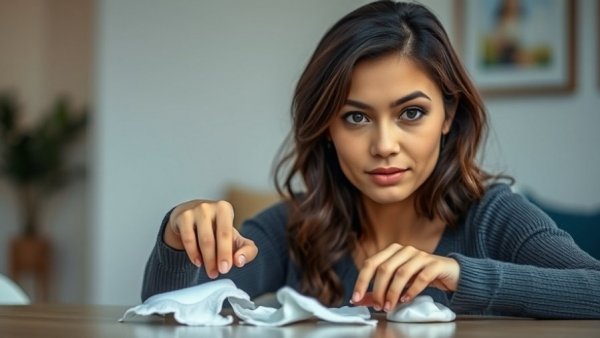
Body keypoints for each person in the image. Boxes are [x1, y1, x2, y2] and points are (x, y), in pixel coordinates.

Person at [142, 0, 600, 318]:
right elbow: (170, 312)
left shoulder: (492, 218)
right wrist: (176, 238)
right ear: (326, 127)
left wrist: (459, 273)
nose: (384, 144)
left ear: (449, 114)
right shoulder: (293, 227)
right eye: (356, 117)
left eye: (412, 113)